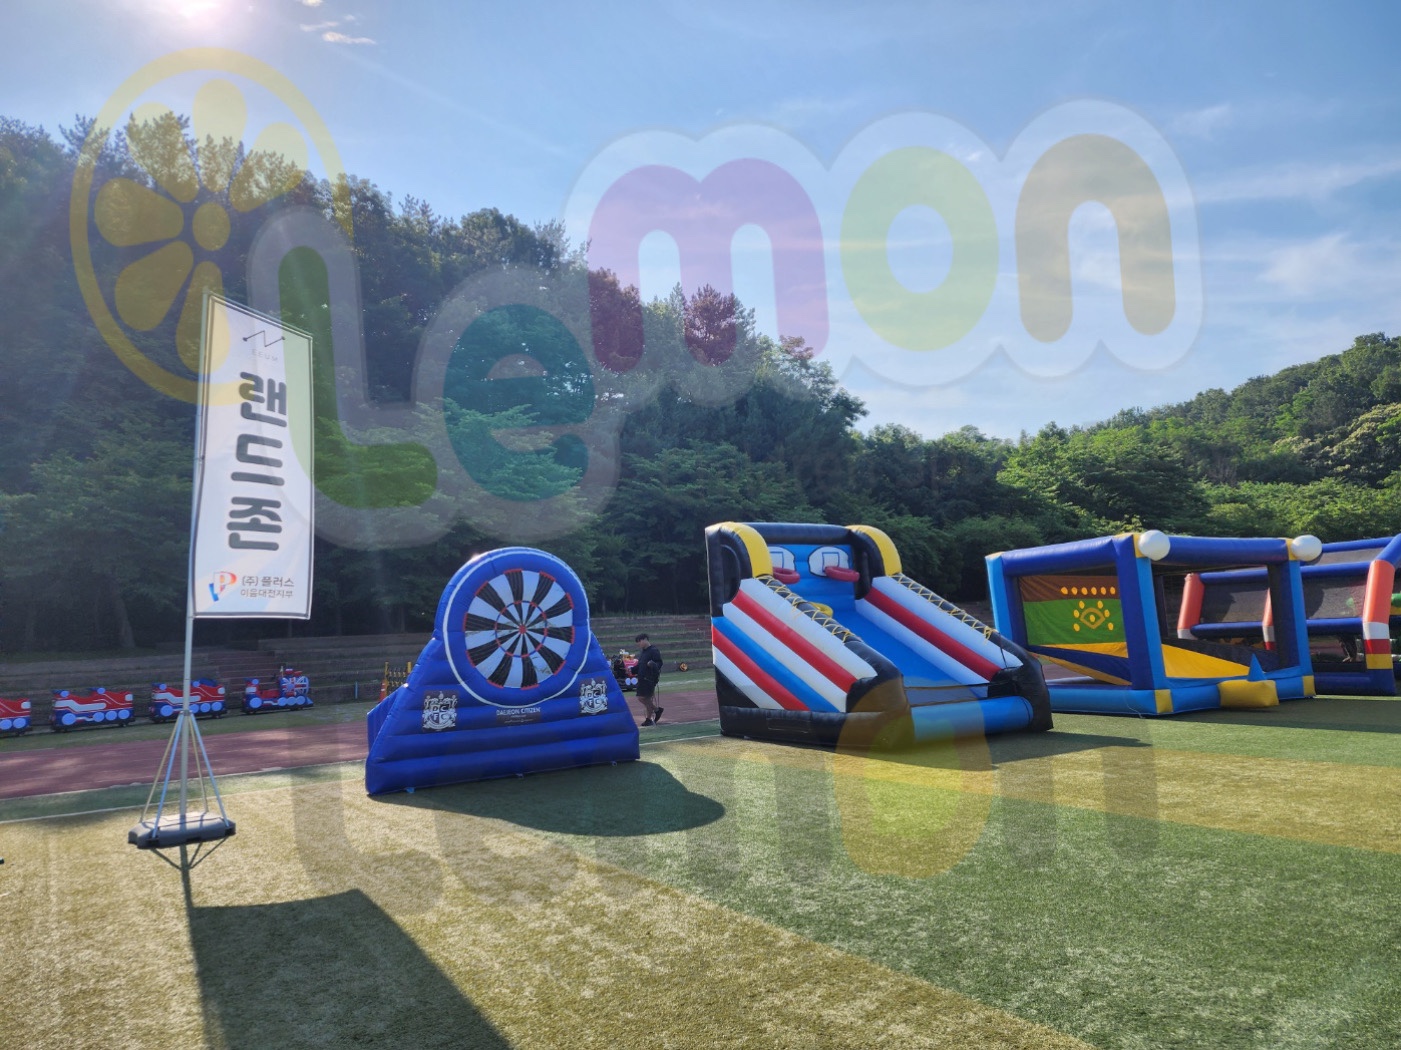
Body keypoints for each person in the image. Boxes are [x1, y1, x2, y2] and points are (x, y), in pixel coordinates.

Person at [634, 632, 664, 725]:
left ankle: (656, 710)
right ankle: (649, 719)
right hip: (642, 677)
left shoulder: (654, 650)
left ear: (645, 640)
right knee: (647, 698)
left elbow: (659, 663)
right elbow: (640, 665)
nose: (638, 644)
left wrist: (652, 664)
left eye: (639, 641)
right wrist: (631, 670)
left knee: (641, 698)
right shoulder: (643, 652)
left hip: (649, 678)